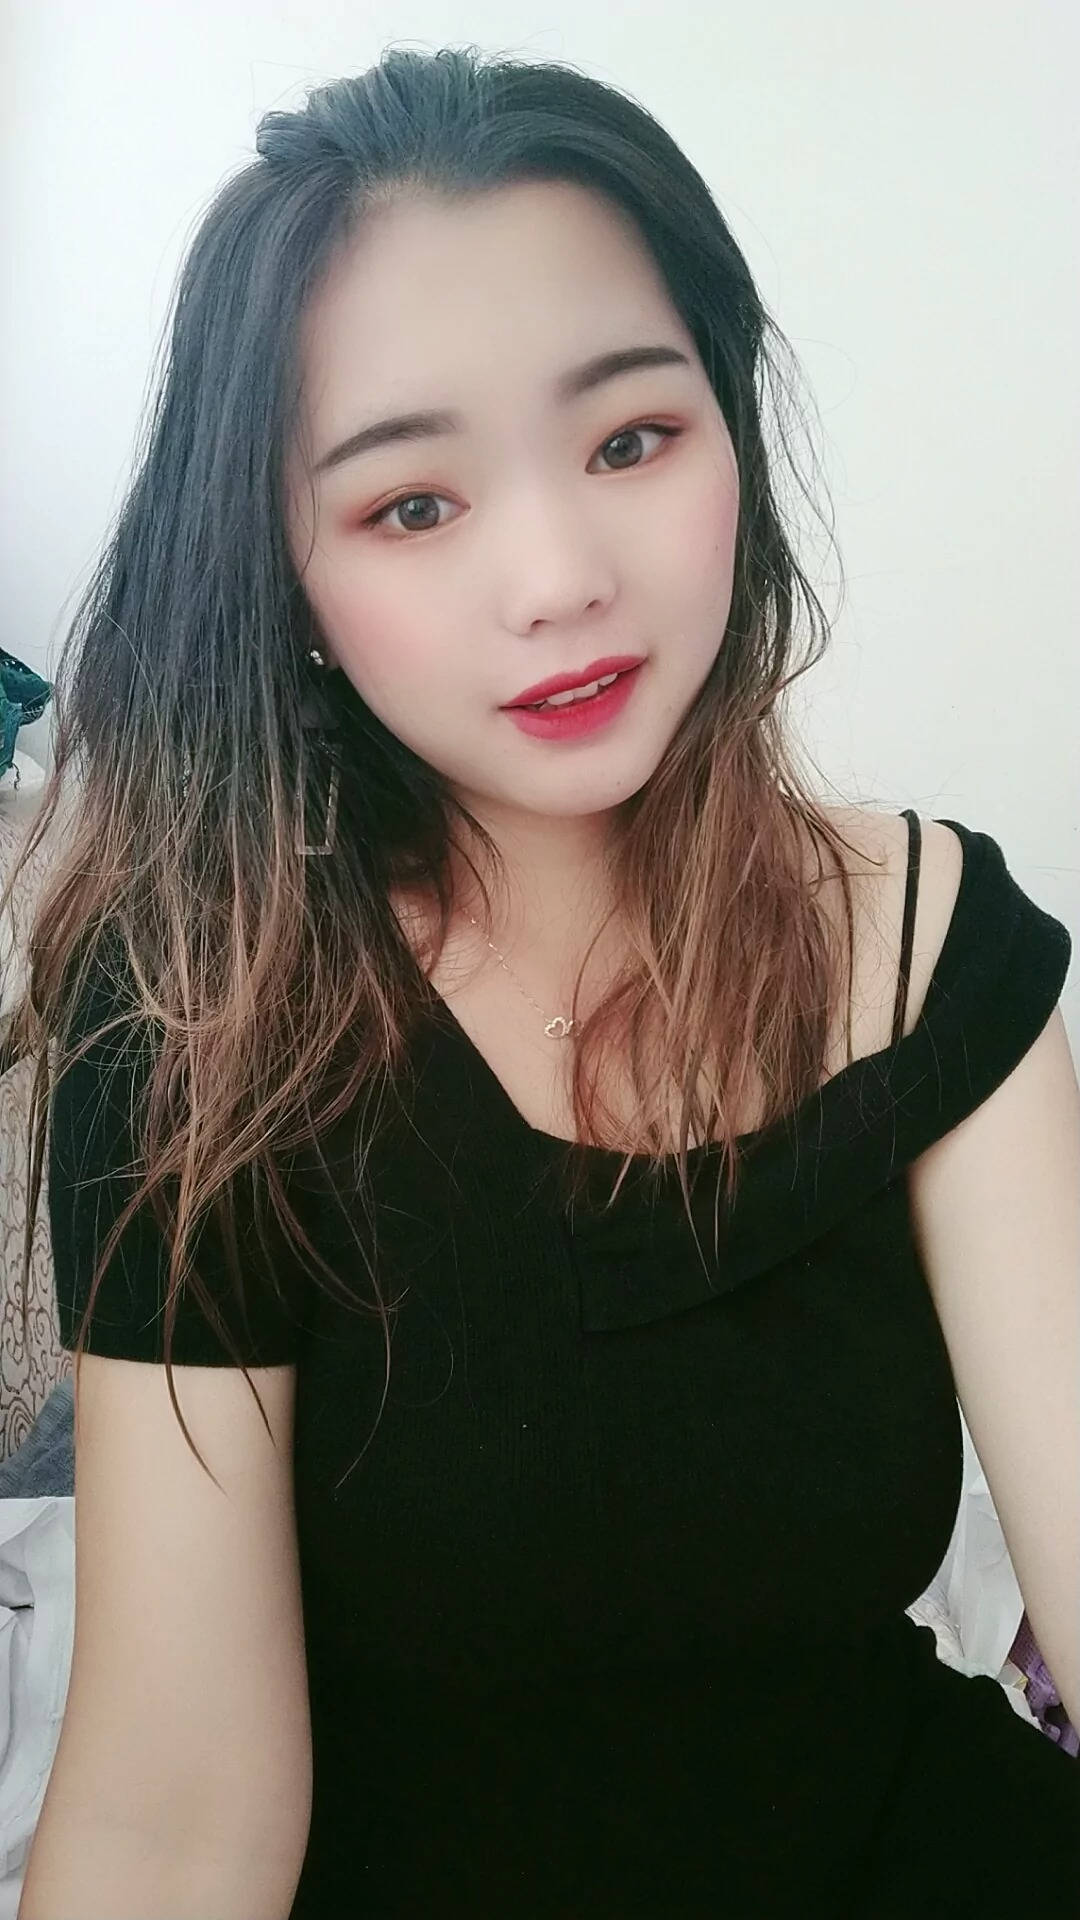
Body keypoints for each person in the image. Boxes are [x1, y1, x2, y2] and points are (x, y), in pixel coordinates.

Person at [6, 44, 1077, 1920]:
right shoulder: (193, 1013)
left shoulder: (925, 938)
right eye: (412, 506)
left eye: (631, 440)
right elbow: (177, 1822)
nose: (562, 578)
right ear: (285, 576)